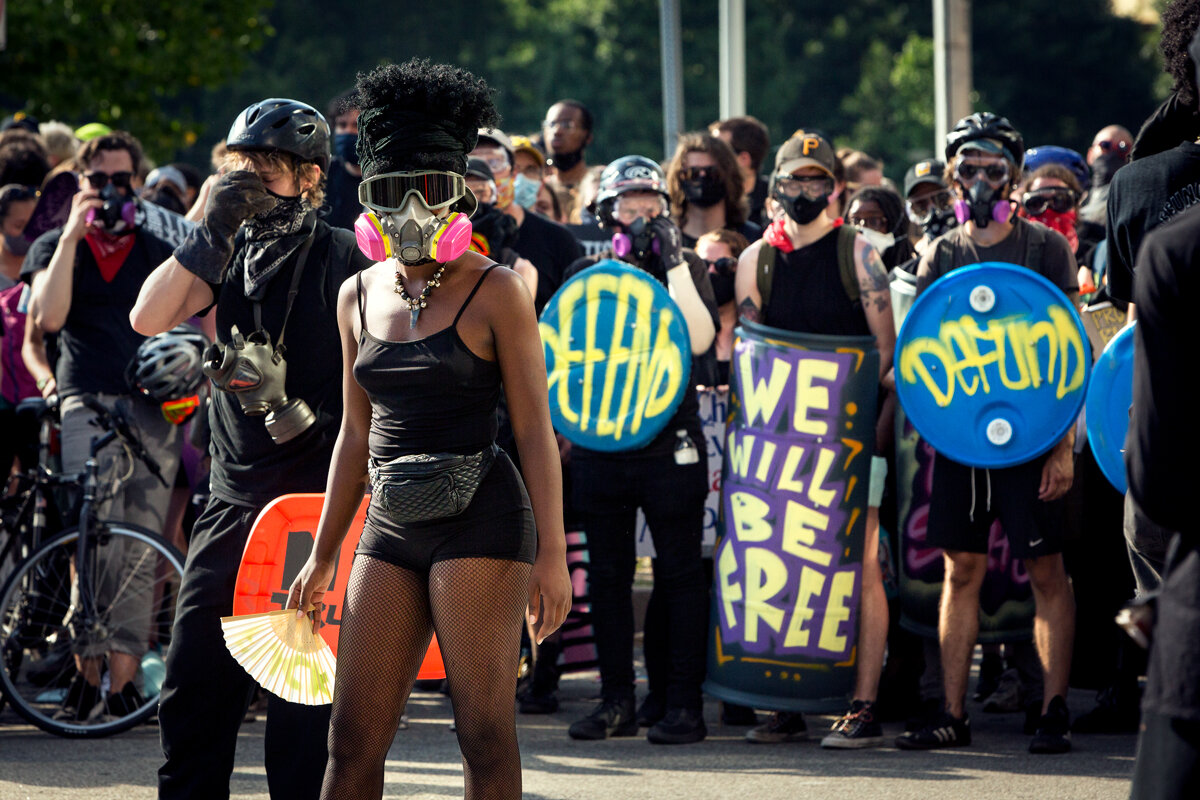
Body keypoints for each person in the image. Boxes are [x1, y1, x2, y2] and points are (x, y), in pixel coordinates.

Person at [283, 59, 570, 799]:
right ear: (366, 198)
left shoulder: (496, 289)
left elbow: (536, 433)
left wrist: (553, 560)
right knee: (350, 742)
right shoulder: (354, 292)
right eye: (390, 191)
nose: (413, 209)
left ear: (461, 195)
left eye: (434, 191)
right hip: (390, 521)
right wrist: (321, 556)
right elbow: (355, 432)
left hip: (482, 517)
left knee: (482, 733)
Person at [130, 98, 369, 800]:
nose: (254, 180)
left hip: (313, 513)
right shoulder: (220, 249)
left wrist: (300, 413)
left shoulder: (345, 259)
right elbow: (148, 317)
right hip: (231, 506)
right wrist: (211, 226)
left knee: (301, 728)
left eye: (271, 168)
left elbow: (375, 397)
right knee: (193, 702)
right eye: (242, 165)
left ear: (311, 176)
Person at [894, 112, 1079, 755]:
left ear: (1015, 176)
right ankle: (951, 712)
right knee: (961, 568)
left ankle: (1052, 708)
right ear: (951, 177)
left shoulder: (1047, 249)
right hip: (963, 441)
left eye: (992, 169)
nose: (979, 180)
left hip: (1034, 437)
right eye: (968, 169)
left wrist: (1062, 447)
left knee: (1046, 569)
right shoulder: (940, 253)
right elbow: (920, 353)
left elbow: (1069, 349)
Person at [733, 130, 896, 748]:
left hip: (851, 442)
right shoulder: (757, 260)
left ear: (834, 187)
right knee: (783, 563)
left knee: (861, 569)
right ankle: (788, 700)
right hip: (779, 448)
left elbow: (887, 357)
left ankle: (862, 704)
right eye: (794, 180)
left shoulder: (860, 255)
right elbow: (752, 356)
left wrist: (871, 433)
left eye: (816, 180)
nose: (805, 191)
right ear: (776, 186)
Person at [23, 130, 188, 721]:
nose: (112, 191)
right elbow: (47, 317)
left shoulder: (157, 238)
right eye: (100, 181)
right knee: (90, 538)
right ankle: (84, 678)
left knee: (138, 545)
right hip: (84, 398)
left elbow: (196, 306)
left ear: (138, 182)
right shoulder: (53, 243)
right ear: (80, 182)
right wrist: (72, 232)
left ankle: (120, 688)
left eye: (122, 180)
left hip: (151, 406)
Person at [563, 155, 717, 745]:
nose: (640, 214)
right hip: (602, 447)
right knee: (607, 576)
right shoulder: (585, 270)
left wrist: (675, 259)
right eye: (628, 205)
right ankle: (615, 700)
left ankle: (682, 703)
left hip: (669, 445)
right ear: (606, 214)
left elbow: (700, 338)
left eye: (650, 204)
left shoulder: (684, 269)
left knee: (679, 573)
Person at [469, 128, 582, 314]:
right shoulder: (439, 242)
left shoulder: (558, 240)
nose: (483, 171)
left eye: (494, 162)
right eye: (471, 163)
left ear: (513, 173)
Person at [665, 131, 761, 248]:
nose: (702, 177)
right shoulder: (666, 240)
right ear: (678, 178)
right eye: (692, 173)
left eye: (713, 173)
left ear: (729, 176)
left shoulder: (752, 238)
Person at [709, 116, 771, 227]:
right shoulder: (704, 199)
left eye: (717, 151)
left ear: (744, 159)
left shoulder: (776, 201)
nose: (708, 158)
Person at [845, 184, 916, 269]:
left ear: (895, 226)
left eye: (874, 221)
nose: (862, 228)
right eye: (855, 220)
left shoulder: (915, 274)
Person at [323, 90, 363, 230]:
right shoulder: (322, 176)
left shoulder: (386, 180)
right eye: (342, 125)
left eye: (356, 125)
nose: (348, 132)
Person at [542, 99, 593, 190]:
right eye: (551, 124)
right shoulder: (539, 192)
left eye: (566, 125)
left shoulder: (600, 188)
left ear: (587, 137)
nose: (557, 131)